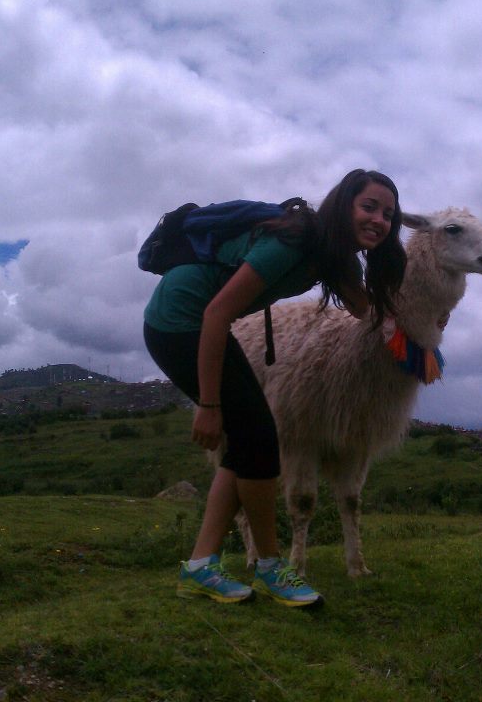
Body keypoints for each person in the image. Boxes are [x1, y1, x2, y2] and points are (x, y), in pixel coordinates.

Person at [143, 169, 406, 606]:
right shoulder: (295, 241)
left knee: (250, 443)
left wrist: (418, 326)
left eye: (388, 214)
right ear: (344, 205)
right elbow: (216, 313)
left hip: (201, 325)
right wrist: (209, 405)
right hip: (179, 323)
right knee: (260, 440)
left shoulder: (332, 255)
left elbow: (367, 310)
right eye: (370, 207)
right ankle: (270, 569)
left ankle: (201, 567)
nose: (379, 220)